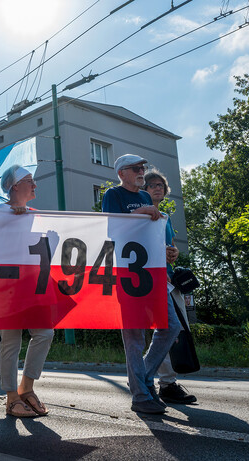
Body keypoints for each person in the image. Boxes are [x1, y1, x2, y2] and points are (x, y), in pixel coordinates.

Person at [101, 154, 182, 415]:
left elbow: (150, 233)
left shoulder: (147, 197)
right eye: (136, 168)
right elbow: (112, 229)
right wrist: (140, 212)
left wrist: (167, 251)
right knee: (134, 334)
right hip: (127, 273)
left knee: (171, 326)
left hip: (153, 270)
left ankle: (143, 380)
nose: (141, 172)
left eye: (143, 168)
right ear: (122, 173)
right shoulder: (113, 195)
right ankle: (140, 395)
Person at [0, 165, 54, 417]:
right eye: (30, 180)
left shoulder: (35, 214)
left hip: (32, 284)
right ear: (14, 187)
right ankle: (10, 398)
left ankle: (26, 388)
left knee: (45, 332)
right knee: (11, 340)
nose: (35, 185)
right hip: (5, 284)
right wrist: (9, 218)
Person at [144, 169, 198, 405]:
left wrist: (174, 252)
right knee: (165, 330)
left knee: (172, 332)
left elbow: (170, 246)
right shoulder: (141, 216)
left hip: (169, 280)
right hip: (151, 280)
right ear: (144, 190)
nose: (158, 188)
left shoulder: (165, 217)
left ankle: (158, 380)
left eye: (161, 186)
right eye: (152, 185)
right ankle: (164, 382)